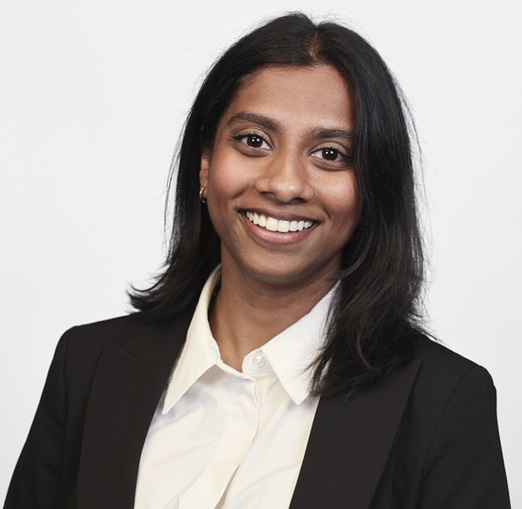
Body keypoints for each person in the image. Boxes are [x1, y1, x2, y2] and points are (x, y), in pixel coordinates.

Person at [4, 12, 510, 509]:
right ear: (206, 163)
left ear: (372, 186)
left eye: (330, 154)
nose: (284, 184)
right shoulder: (88, 365)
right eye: (253, 141)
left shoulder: (442, 403)